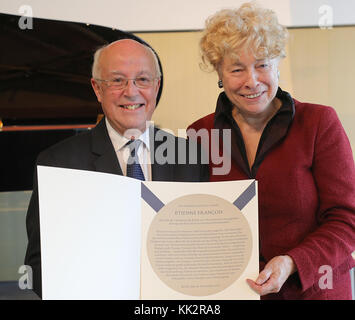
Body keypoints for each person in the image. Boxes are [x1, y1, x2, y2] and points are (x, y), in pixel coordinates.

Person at [187, 2, 355, 299]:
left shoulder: (319, 123)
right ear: (219, 72)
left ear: (278, 62)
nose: (252, 81)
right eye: (237, 69)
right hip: (232, 293)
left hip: (314, 292)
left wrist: (291, 263)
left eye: (262, 64)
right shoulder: (198, 135)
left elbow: (347, 219)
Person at [25, 38, 208, 298]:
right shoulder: (58, 163)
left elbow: (204, 249)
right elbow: (38, 264)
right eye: (117, 80)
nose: (131, 92)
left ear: (156, 86)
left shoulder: (191, 156)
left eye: (143, 79)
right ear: (97, 89)